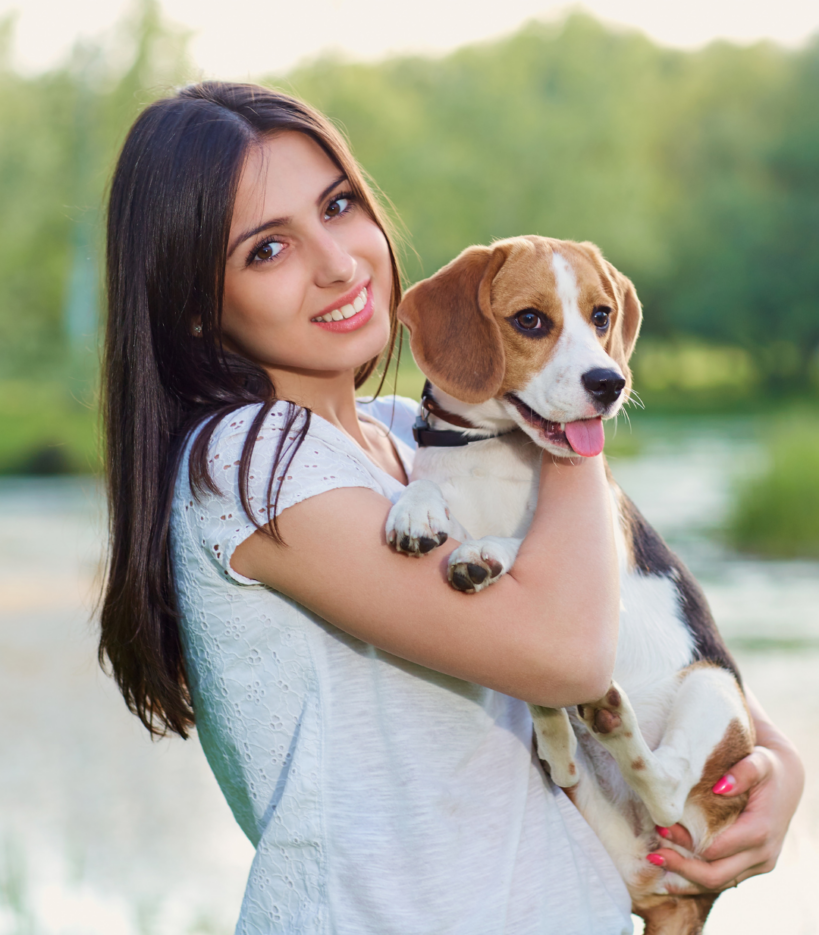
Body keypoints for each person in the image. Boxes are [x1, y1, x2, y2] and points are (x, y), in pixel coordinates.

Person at [98, 81, 803, 934]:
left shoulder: (415, 434)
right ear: (191, 308)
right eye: (267, 250)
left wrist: (774, 762)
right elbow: (570, 658)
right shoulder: (250, 461)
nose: (337, 263)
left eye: (338, 205)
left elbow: (641, 632)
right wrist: (570, 412)